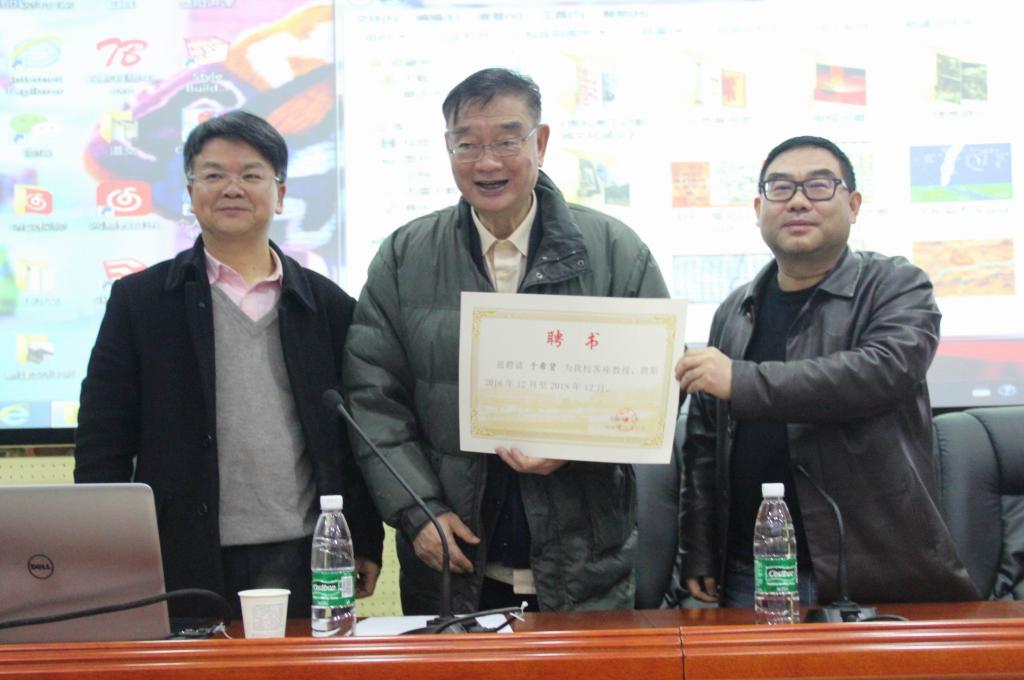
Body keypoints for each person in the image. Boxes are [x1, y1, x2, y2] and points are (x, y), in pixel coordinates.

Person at [343, 68, 669, 614]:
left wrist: (575, 445)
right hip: (453, 558)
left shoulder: (615, 251)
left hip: (583, 561)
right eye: (467, 144)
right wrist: (418, 511)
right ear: (448, 149)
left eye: (506, 141)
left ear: (541, 143)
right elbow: (372, 399)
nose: (487, 162)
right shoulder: (405, 257)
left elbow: (655, 390)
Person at [74, 110, 384, 618]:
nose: (232, 188)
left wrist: (364, 538)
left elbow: (353, 439)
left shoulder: (327, 305)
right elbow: (103, 437)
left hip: (304, 553)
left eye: (251, 175)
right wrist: (105, 547)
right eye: (214, 175)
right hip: (180, 555)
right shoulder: (141, 302)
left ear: (280, 194)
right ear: (190, 192)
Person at [675, 135, 979, 608]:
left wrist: (743, 380)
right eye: (780, 188)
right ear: (758, 208)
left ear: (853, 205)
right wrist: (699, 547)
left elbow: (880, 372)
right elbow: (704, 442)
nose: (798, 201)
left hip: (871, 566)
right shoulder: (735, 309)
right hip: (750, 566)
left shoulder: (895, 285)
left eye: (819, 186)